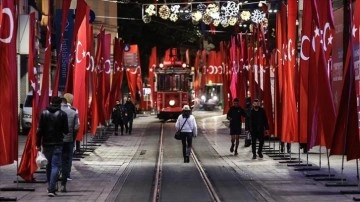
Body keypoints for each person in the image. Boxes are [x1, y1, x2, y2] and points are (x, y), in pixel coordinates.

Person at [36, 96, 69, 197]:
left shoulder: (44, 113)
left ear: (51, 102)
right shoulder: (63, 114)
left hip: (46, 144)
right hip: (58, 143)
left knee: (48, 165)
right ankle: (52, 189)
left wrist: (37, 144)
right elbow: (66, 131)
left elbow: (39, 130)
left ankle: (49, 186)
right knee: (55, 166)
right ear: (60, 104)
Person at [60, 97, 80, 192]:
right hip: (68, 140)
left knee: (55, 162)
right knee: (66, 160)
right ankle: (64, 182)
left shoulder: (53, 112)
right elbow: (76, 127)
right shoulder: (73, 112)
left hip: (56, 141)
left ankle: (52, 185)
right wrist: (73, 137)